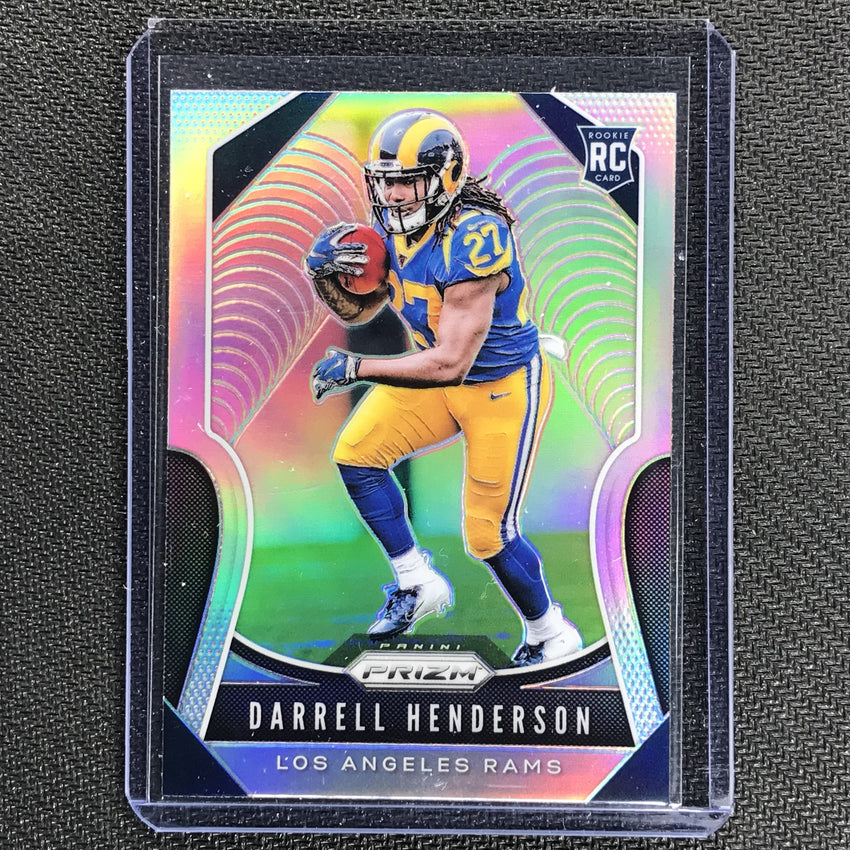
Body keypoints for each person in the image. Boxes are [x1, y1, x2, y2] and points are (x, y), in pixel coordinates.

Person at [304, 109, 582, 666]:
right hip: (440, 378)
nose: (393, 195)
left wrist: (357, 369)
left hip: (499, 387)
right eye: (386, 182)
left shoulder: (475, 236)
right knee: (356, 454)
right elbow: (362, 309)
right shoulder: (394, 227)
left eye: (407, 181)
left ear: (445, 177)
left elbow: (451, 363)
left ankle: (550, 634)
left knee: (488, 535)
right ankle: (416, 582)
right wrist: (326, 277)